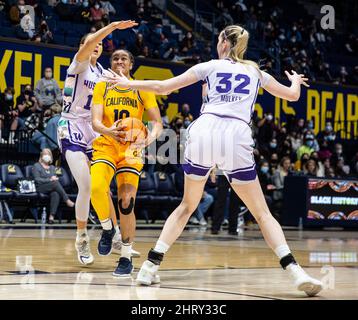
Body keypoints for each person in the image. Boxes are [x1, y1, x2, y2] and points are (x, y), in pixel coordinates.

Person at [106, 24, 323, 296]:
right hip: (236, 134)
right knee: (262, 213)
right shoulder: (256, 71)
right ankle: (295, 272)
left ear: (222, 43)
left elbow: (162, 87)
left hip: (205, 129)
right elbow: (292, 96)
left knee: (187, 205)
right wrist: (294, 81)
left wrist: (129, 83)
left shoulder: (209, 66)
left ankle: (150, 266)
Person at [57, 20, 138, 265]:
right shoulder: (78, 65)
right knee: (86, 185)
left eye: (101, 44)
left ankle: (114, 236)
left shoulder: (103, 73)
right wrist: (112, 26)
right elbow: (89, 43)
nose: (97, 45)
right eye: (92, 42)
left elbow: (131, 86)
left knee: (103, 187)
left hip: (95, 130)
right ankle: (82, 236)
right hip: (71, 126)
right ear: (82, 47)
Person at [91, 49, 163, 277]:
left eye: (124, 58)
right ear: (111, 64)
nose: (119, 61)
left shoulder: (142, 88)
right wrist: (107, 130)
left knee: (126, 203)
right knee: (96, 188)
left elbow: (157, 123)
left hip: (131, 150)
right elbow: (94, 121)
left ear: (131, 64)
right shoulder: (102, 86)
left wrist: (147, 141)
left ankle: (125, 256)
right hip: (107, 144)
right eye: (115, 58)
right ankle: (107, 228)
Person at [32, 149, 75, 224]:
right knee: (55, 183)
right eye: (45, 154)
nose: (47, 156)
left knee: (56, 193)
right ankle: (67, 200)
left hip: (51, 187)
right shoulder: (36, 166)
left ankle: (51, 217)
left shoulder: (52, 167)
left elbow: (54, 179)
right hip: (40, 187)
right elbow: (37, 180)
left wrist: (52, 180)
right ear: (41, 156)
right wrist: (50, 179)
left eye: (48, 154)